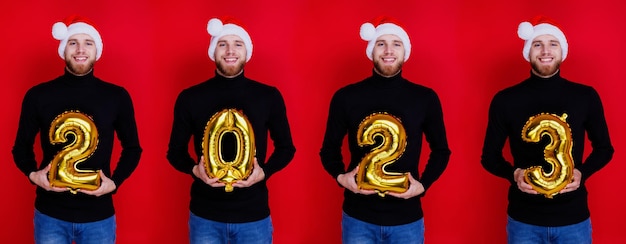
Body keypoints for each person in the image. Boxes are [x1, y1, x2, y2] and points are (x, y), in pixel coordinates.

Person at [481, 15, 614, 244]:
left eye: (553, 44)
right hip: (524, 221)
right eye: (537, 44)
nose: (545, 51)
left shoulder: (585, 97)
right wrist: (514, 174)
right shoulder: (505, 100)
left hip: (574, 220)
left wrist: (582, 173)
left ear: (562, 51)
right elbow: (489, 157)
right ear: (528, 52)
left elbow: (604, 148)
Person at [11, 15, 142, 244]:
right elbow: (20, 148)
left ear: (96, 50)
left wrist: (115, 182)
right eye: (73, 42)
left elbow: (133, 148)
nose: (80, 49)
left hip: (98, 218)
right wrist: (34, 175)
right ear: (63, 49)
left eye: (87, 43)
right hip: (50, 216)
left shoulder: (116, 96)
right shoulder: (38, 95)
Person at [319, 16, 451, 243]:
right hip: (358, 219)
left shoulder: (425, 98)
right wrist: (342, 178)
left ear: (405, 51)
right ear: (371, 50)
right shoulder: (346, 97)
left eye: (396, 44)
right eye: (381, 43)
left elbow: (441, 150)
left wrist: (423, 185)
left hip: (407, 220)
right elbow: (328, 150)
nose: (388, 50)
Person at [166, 16, 296, 244]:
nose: (230, 51)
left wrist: (264, 172)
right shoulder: (190, 97)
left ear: (247, 51)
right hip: (205, 216)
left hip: (253, 216)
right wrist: (194, 170)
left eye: (238, 44)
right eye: (223, 44)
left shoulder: (268, 96)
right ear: (213, 51)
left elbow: (286, 148)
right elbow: (174, 152)